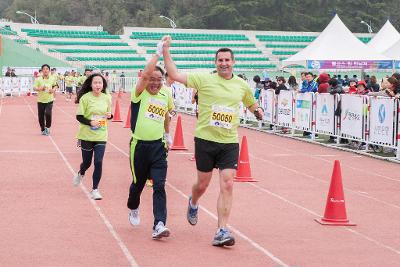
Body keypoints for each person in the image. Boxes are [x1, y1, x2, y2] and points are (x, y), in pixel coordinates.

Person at [162, 36, 264, 247]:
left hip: (229, 142)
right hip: (205, 140)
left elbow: (251, 103)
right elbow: (173, 74)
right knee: (203, 184)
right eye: (220, 60)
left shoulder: (241, 85)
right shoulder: (203, 79)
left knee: (227, 183)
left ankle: (221, 230)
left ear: (233, 62)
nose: (224, 63)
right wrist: (165, 50)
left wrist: (258, 111)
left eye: (227, 60)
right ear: (215, 63)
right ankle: (194, 201)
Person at [127, 42, 174, 240]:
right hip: (138, 146)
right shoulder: (139, 92)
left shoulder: (166, 93)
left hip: (158, 146)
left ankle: (159, 224)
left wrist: (167, 134)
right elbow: (145, 75)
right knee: (137, 184)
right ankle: (133, 206)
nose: (155, 83)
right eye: (152, 80)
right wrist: (158, 54)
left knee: (159, 185)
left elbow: (166, 114)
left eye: (159, 80)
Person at [72, 73, 113, 200]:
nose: (98, 85)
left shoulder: (107, 98)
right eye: (95, 83)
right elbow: (79, 116)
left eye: (100, 83)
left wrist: (109, 116)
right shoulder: (85, 98)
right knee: (87, 162)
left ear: (103, 85)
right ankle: (81, 173)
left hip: (101, 134)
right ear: (91, 84)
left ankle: (95, 189)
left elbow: (110, 114)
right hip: (86, 135)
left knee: (99, 162)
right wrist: (90, 122)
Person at [33, 64, 58, 135]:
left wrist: (53, 90)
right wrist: (39, 88)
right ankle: (42, 129)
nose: (45, 70)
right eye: (44, 69)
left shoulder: (52, 78)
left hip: (49, 100)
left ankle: (48, 128)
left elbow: (55, 85)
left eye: (47, 69)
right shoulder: (38, 79)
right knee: (41, 117)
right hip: (40, 100)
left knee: (48, 113)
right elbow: (34, 88)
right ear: (42, 70)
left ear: (49, 70)